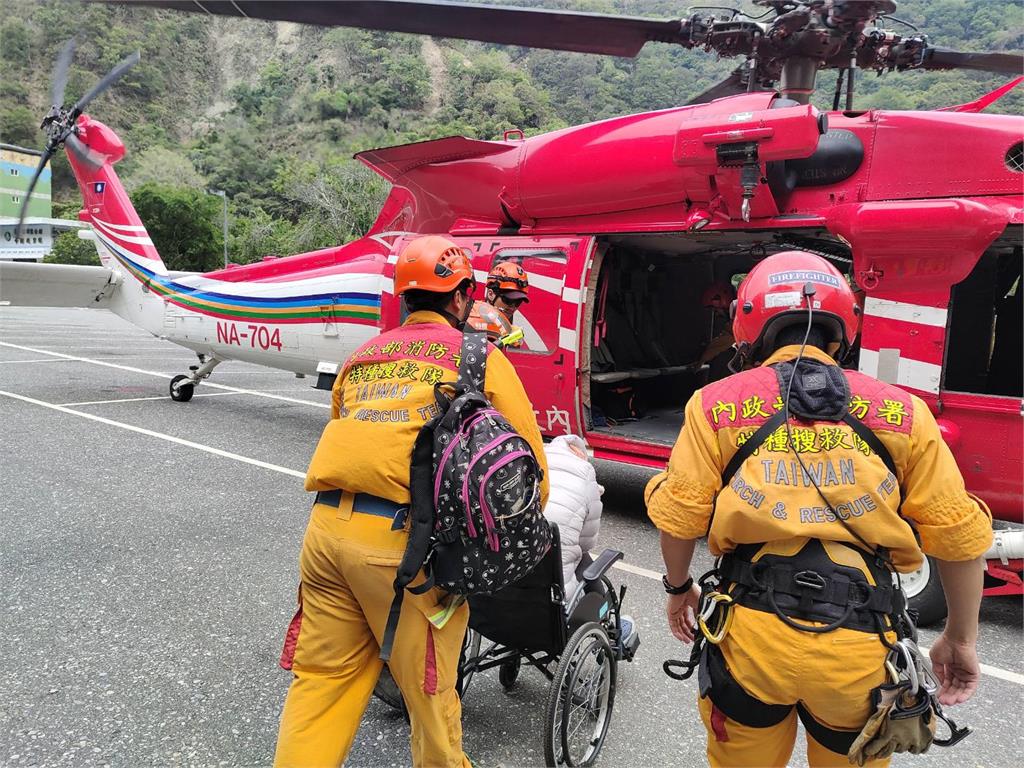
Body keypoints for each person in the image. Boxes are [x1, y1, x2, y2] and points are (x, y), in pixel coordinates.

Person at [646, 251, 992, 767]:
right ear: (842, 325)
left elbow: (681, 517)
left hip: (750, 639)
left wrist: (679, 590)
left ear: (749, 322)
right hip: (860, 645)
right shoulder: (904, 412)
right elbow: (957, 536)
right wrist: (960, 639)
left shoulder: (715, 404)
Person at [274, 235, 549, 768]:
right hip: (405, 555)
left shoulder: (363, 356)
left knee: (322, 685)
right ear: (462, 295)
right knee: (430, 697)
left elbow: (348, 434)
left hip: (326, 537)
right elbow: (529, 472)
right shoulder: (479, 358)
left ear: (404, 297)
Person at [466, 261, 530, 345]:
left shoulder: (503, 325)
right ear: (490, 294)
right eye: (508, 300)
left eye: (518, 302)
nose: (513, 307)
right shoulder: (471, 320)